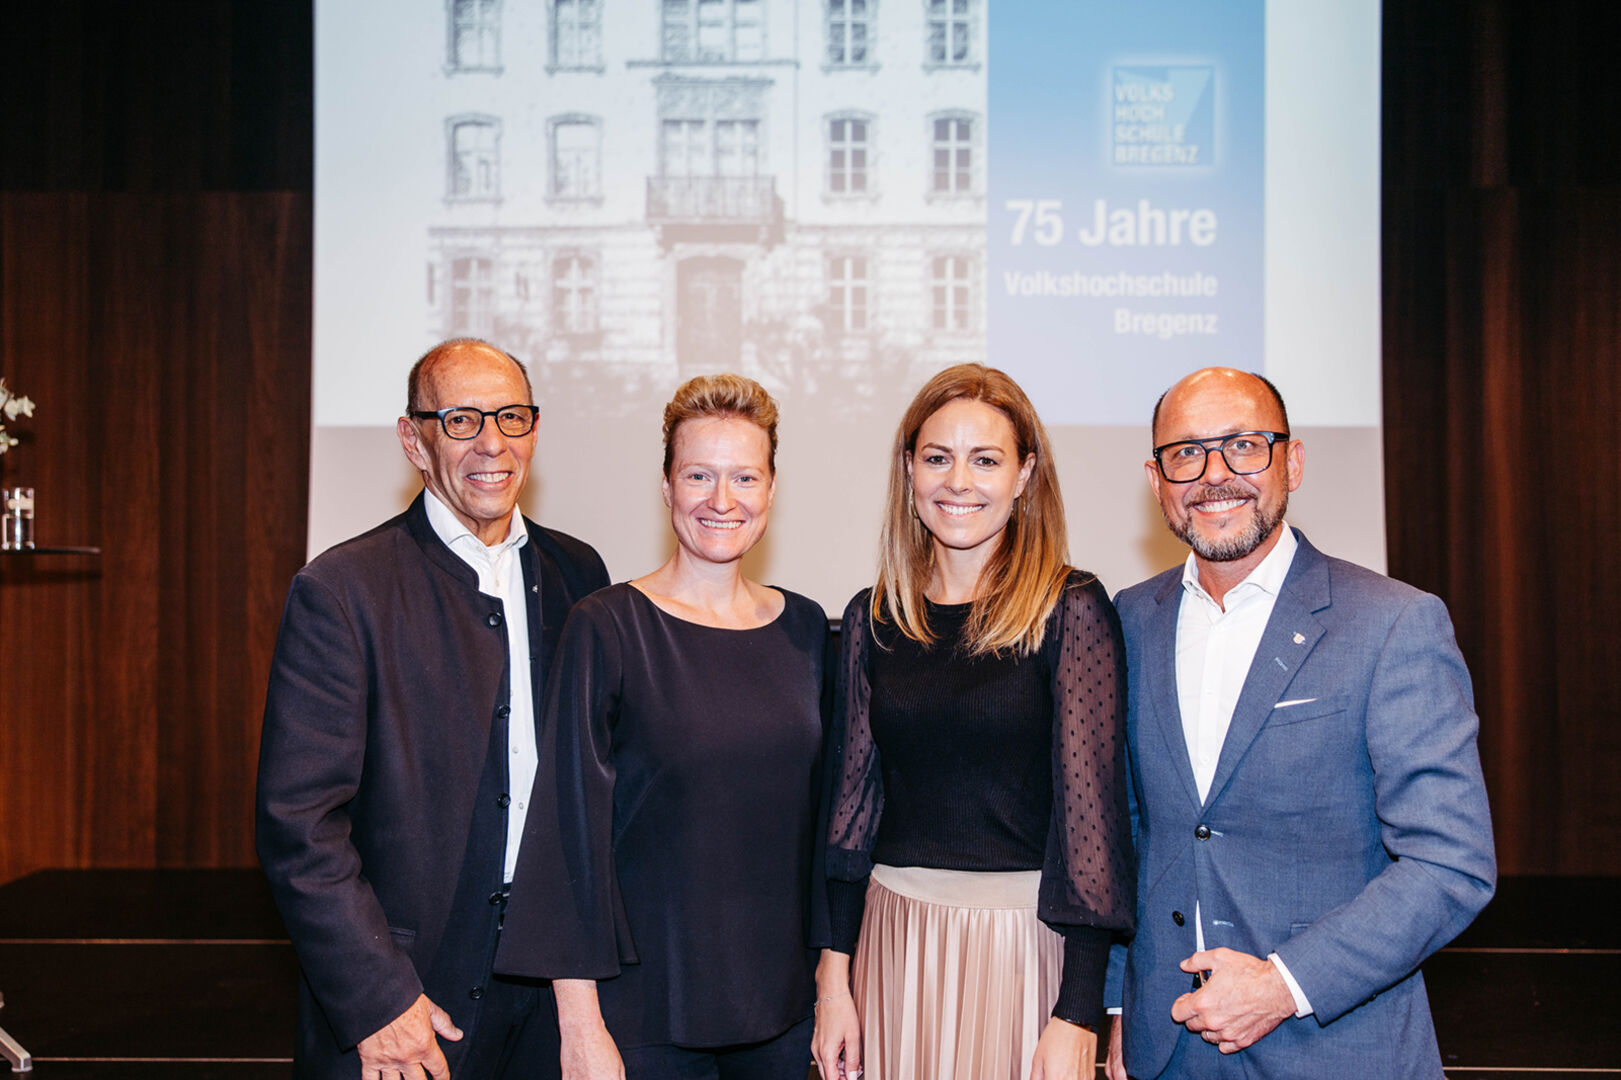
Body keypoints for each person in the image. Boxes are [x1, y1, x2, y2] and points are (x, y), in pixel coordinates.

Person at [1103, 367, 1496, 1079]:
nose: (1214, 474)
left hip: (1334, 1048)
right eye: (1186, 453)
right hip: (1165, 1050)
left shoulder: (1392, 623)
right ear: (1156, 481)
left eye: (1243, 445)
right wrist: (1116, 1004)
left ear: (1293, 462)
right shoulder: (1126, 621)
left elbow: (1449, 863)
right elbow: (1121, 836)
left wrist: (1281, 985)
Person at [256, 338, 613, 1079]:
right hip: (404, 997)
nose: (492, 442)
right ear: (413, 440)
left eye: (511, 417)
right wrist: (378, 999)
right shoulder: (342, 590)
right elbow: (299, 825)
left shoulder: (578, 573)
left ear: (534, 430)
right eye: (460, 420)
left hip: (552, 996)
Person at [498, 374, 831, 1080]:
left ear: (771, 489)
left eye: (744, 476)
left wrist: (833, 989)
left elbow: (827, 830)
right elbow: (565, 836)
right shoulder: (607, 626)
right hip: (643, 1020)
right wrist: (579, 1026)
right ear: (666, 486)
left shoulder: (807, 630)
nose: (722, 499)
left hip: (781, 1014)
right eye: (698, 475)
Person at [813, 364, 1136, 1080]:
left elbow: (1093, 825)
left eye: (985, 460)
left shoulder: (1070, 608)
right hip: (891, 940)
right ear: (908, 470)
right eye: (937, 458)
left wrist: (1078, 1011)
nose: (958, 481)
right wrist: (833, 978)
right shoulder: (872, 617)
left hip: (1023, 947)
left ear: (1024, 475)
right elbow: (849, 818)